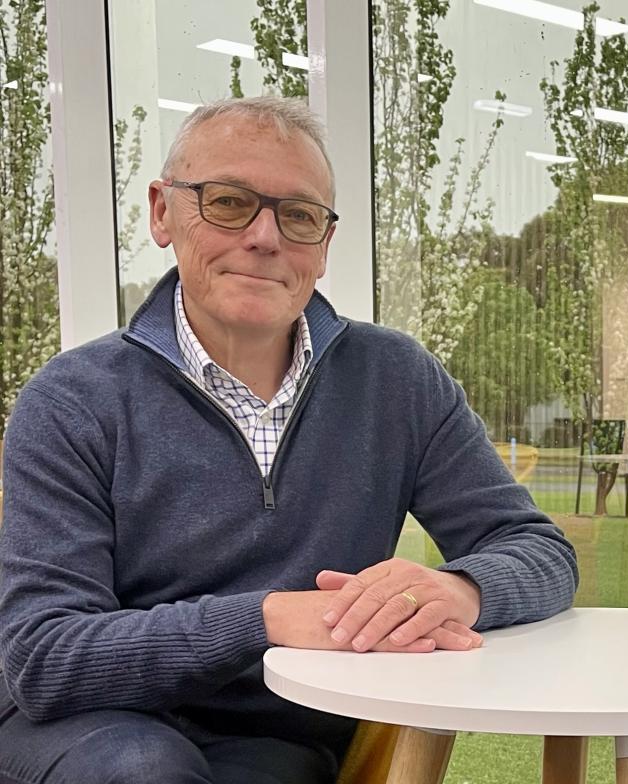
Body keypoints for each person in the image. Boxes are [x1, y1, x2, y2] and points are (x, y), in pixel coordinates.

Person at [0, 97, 578, 784]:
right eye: (228, 201)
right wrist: (269, 618)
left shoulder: (396, 380)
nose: (266, 237)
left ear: (325, 244)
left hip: (277, 728)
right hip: (88, 727)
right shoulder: (73, 399)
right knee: (144, 770)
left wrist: (460, 588)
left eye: (299, 214)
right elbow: (47, 656)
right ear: (163, 212)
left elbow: (541, 553)